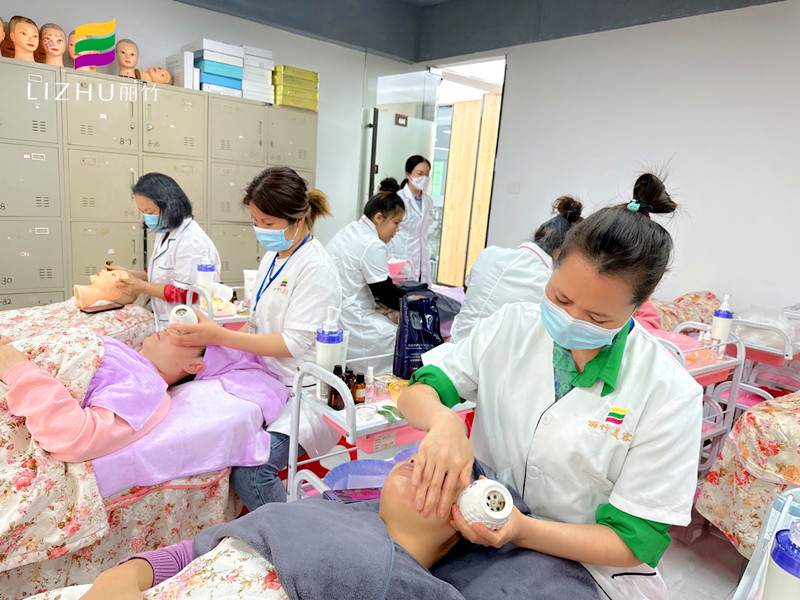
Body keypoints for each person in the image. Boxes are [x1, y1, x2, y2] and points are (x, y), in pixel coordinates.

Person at [397, 173, 703, 600]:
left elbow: (633, 541)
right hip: (478, 538)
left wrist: (521, 530)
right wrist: (443, 422)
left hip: (586, 569)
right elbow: (419, 389)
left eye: (597, 318)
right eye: (560, 298)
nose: (571, 320)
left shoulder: (668, 393)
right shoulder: (511, 327)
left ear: (640, 304)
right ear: (553, 264)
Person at [71, 459, 597, 600]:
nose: (423, 463)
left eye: (447, 478)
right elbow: (192, 552)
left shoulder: (401, 583)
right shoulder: (320, 510)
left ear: (466, 523)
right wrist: (121, 578)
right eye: (427, 458)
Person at [164, 166, 342, 508]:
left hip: (302, 391)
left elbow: (292, 343)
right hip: (264, 379)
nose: (260, 230)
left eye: (269, 223)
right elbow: (257, 323)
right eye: (256, 221)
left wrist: (220, 335)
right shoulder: (274, 256)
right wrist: (211, 339)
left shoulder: (315, 267)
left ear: (298, 220)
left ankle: (287, 535)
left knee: (252, 472)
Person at [0, 330, 205, 463]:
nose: (171, 329)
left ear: (194, 366)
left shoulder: (148, 386)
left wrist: (18, 371)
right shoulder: (128, 357)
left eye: (186, 335)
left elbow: (76, 438)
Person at [449, 195, 583, 343]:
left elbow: (467, 288)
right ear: (562, 251)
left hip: (453, 347)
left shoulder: (489, 254)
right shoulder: (548, 284)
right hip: (486, 355)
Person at [107, 172, 221, 331]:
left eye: (150, 212)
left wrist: (141, 287)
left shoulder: (191, 242)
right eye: (143, 212)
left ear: (169, 206)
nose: (147, 218)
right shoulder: (166, 232)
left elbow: (188, 293)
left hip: (186, 324)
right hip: (164, 320)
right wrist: (127, 273)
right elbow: (161, 274)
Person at [326, 177, 408, 373]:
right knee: (398, 341)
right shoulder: (371, 244)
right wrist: (411, 303)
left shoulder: (350, 230)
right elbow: (385, 293)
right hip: (353, 318)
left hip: (336, 313)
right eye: (396, 223)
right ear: (379, 217)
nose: (397, 230)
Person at [386, 155, 434, 284]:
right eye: (420, 174)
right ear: (408, 175)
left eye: (426, 174)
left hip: (422, 257)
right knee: (402, 291)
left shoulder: (428, 201)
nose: (424, 178)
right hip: (401, 256)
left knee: (422, 291)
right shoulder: (398, 199)